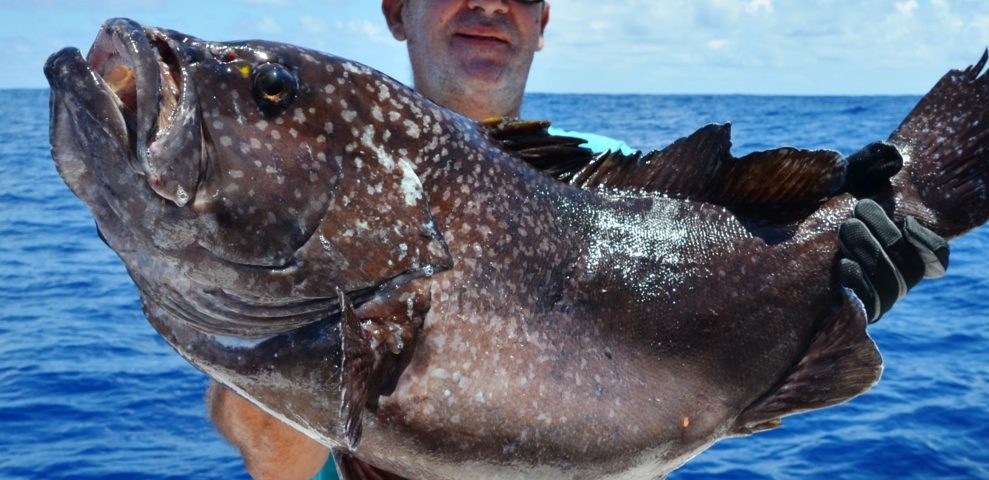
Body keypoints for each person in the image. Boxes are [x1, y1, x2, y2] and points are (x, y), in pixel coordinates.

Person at [208, 1, 948, 479]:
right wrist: (320, 286)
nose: (491, 4)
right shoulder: (316, 186)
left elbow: (678, 397)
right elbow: (276, 461)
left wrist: (839, 287)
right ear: (398, 10)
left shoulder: (619, 185)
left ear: (541, 19)